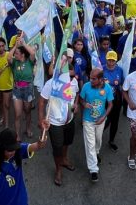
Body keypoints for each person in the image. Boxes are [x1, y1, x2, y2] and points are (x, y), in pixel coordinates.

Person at [0, 127, 49, 205]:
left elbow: (39, 145)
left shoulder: (18, 151)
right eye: (9, 150)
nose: (13, 152)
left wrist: (43, 130)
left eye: (14, 149)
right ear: (1, 148)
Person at [38, 50, 79, 186]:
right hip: (55, 123)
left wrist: (76, 104)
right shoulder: (51, 83)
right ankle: (58, 169)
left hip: (70, 120)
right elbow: (42, 101)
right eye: (69, 75)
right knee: (57, 147)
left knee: (67, 143)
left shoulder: (74, 82)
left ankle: (64, 159)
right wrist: (41, 120)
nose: (71, 77)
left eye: (72, 75)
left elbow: (77, 94)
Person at [79, 68, 114, 182]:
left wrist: (103, 117)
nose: (91, 80)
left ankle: (97, 152)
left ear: (100, 79)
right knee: (90, 144)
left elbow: (110, 104)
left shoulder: (107, 88)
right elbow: (81, 99)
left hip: (101, 120)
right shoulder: (86, 86)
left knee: (98, 140)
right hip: (88, 120)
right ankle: (93, 170)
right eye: (90, 78)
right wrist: (84, 104)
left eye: (94, 79)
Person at [8, 33, 36, 140]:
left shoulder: (29, 62)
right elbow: (8, 57)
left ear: (23, 55)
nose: (15, 54)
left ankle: (28, 128)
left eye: (17, 53)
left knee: (27, 111)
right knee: (17, 114)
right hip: (17, 90)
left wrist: (23, 44)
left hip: (28, 89)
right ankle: (17, 135)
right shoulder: (14, 62)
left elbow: (32, 53)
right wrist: (15, 46)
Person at [102, 50, 125, 151]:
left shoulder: (120, 70)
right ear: (106, 60)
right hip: (104, 100)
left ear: (116, 61)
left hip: (116, 99)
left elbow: (123, 83)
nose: (111, 62)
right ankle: (96, 137)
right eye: (109, 60)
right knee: (106, 119)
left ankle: (111, 140)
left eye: (113, 60)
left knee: (115, 121)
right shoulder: (101, 69)